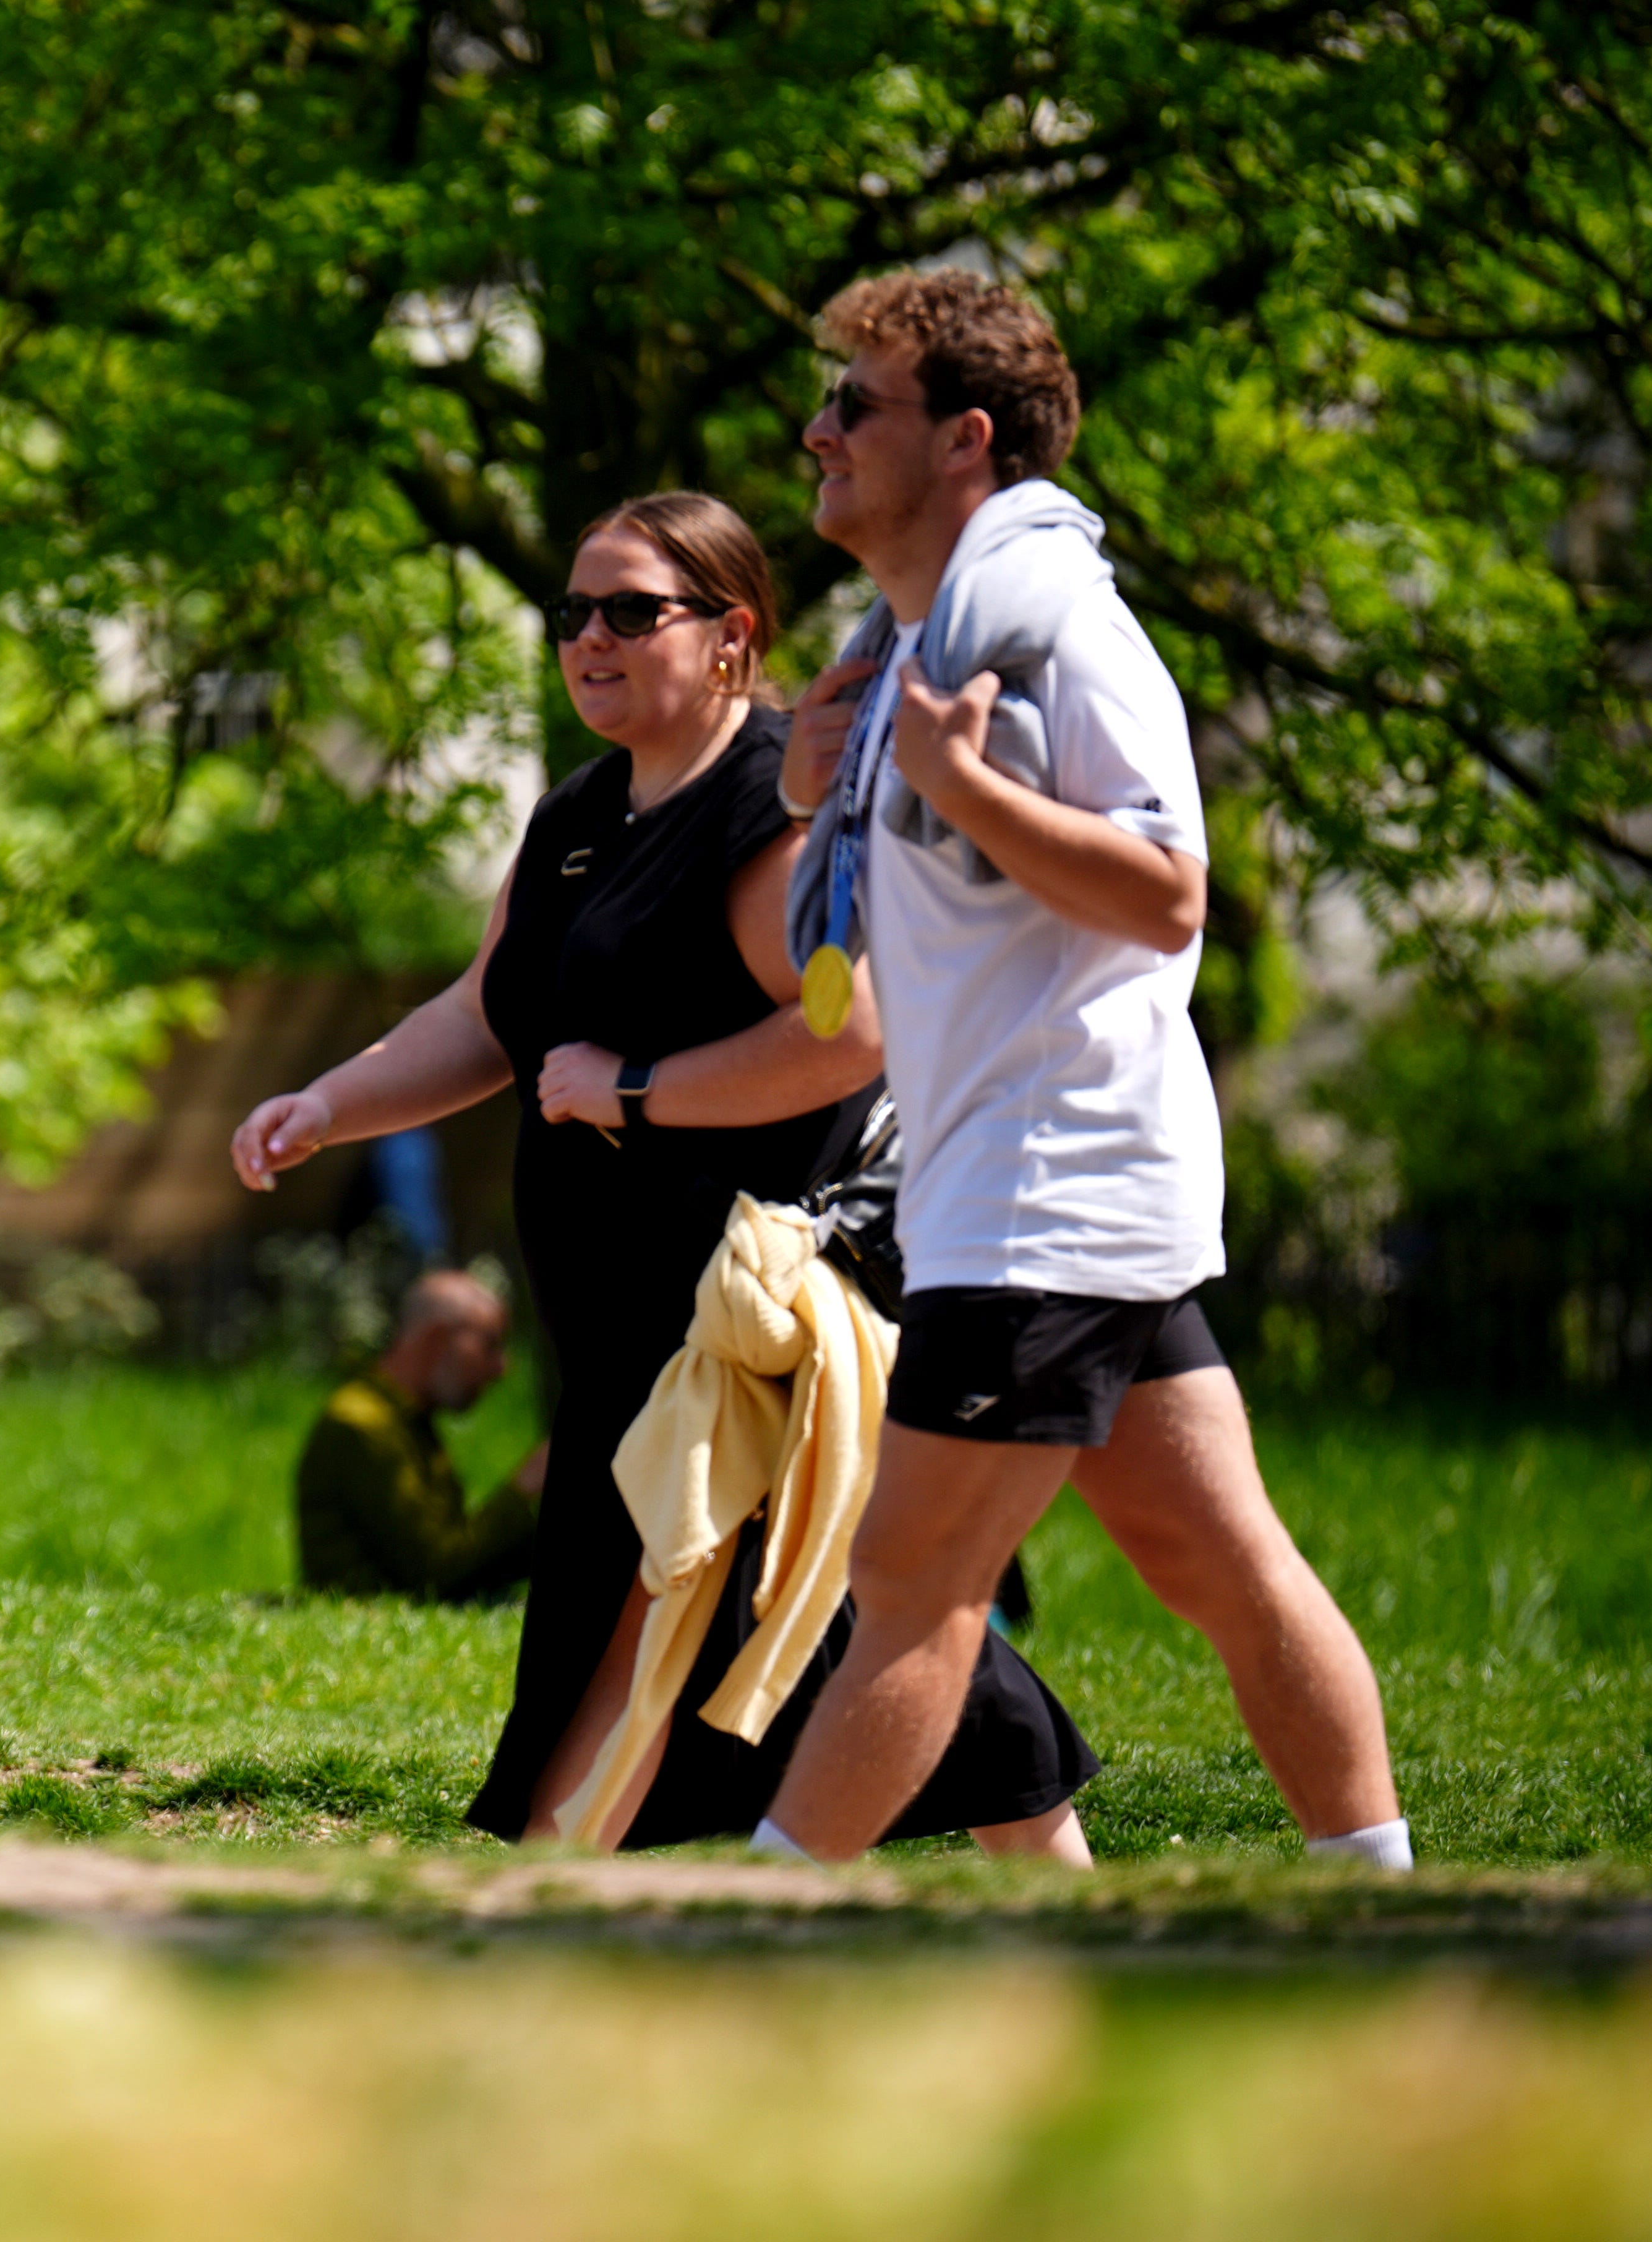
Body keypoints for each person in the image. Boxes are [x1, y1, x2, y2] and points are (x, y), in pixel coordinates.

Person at [234, 492, 1096, 1856]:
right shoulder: (576, 815)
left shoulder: (762, 809)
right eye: (575, 610)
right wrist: (327, 1104)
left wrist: (635, 1092)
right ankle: (1040, 1893)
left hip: (731, 1335)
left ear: (731, 634)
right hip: (620, 1340)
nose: (591, 635)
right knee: (824, 1609)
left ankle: (575, 1906)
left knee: (723, 1623)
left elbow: (852, 1034)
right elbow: (485, 1013)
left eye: (633, 610)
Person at [753, 270, 1408, 1868]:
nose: (814, 429)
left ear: (965, 440)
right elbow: (839, 974)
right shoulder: (910, 647)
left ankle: (752, 1931)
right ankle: (1384, 1903)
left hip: (1042, 1194)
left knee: (910, 1589)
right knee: (1224, 1567)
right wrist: (809, 788)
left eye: (856, 404)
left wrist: (959, 790)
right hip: (1049, 1183)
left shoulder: (1060, 633)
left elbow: (1165, 889)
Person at [294, 1270, 542, 1601]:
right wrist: (524, 1488)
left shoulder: (407, 1419)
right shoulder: (361, 1425)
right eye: (490, 1344)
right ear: (438, 1338)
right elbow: (437, 1574)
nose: (502, 1368)